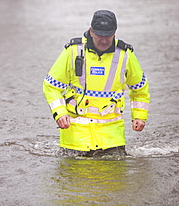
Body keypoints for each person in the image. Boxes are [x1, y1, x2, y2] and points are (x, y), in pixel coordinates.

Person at [42, 10, 150, 157]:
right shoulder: (72, 51)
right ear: (91, 31)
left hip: (112, 139)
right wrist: (60, 114)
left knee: (115, 180)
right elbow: (51, 86)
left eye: (108, 35)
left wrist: (139, 116)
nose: (104, 40)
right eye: (100, 35)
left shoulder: (125, 55)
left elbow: (140, 89)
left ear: (115, 32)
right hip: (75, 139)